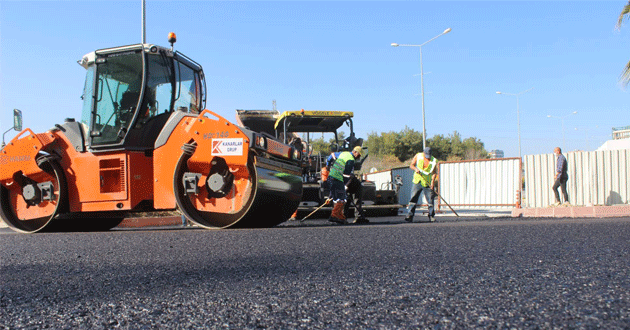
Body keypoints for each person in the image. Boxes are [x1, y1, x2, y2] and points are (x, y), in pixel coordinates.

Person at [326, 146, 363, 224]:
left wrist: (328, 166)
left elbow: (331, 155)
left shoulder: (343, 153)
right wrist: (345, 186)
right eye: (359, 155)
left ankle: (341, 217)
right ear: (355, 152)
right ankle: (336, 216)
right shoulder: (351, 160)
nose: (359, 157)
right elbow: (348, 177)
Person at [405, 147, 438, 222]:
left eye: (429, 155)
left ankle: (431, 215)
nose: (427, 157)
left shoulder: (434, 160)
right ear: (423, 153)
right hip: (417, 181)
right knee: (413, 198)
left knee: (430, 200)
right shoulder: (418, 156)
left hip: (427, 182)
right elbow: (411, 165)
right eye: (426, 155)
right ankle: (410, 215)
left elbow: (434, 173)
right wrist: (415, 169)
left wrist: (432, 183)